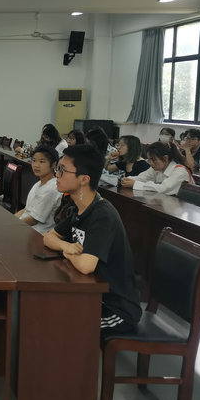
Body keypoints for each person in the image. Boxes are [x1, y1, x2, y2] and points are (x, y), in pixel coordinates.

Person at [43, 144, 141, 339]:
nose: (57, 175)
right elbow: (49, 237)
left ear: (84, 179)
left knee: (59, 326)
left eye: (62, 170)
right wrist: (67, 246)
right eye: (58, 169)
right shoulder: (78, 207)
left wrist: (67, 253)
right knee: (43, 312)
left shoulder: (102, 215)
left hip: (116, 309)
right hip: (91, 295)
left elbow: (86, 266)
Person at [14, 144, 62, 234]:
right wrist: (11, 220)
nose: (36, 165)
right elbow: (25, 210)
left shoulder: (52, 188)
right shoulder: (38, 184)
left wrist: (13, 225)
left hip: (38, 233)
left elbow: (33, 220)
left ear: (53, 164)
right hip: (25, 227)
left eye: (42, 162)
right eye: (34, 160)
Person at [120, 141, 192, 195]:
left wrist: (135, 184)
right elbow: (141, 178)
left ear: (165, 158)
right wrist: (126, 180)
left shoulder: (180, 171)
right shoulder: (157, 168)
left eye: (153, 159)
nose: (150, 163)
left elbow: (163, 188)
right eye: (149, 160)